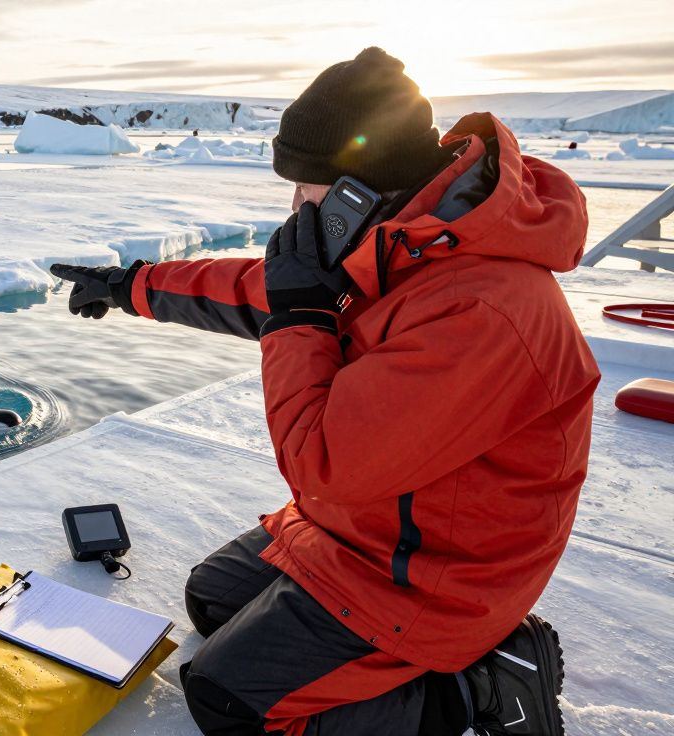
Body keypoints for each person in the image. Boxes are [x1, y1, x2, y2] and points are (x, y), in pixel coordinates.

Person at [51, 47, 598, 736]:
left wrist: (302, 319)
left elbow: (323, 464)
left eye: (304, 188)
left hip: (440, 575)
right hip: (374, 530)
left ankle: (483, 688)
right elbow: (257, 290)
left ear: (353, 192)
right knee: (211, 600)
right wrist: (128, 287)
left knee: (228, 699)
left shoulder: (478, 310)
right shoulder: (403, 245)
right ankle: (352, 645)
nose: (292, 207)